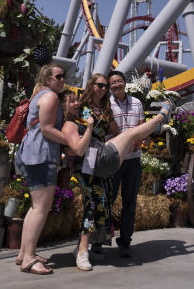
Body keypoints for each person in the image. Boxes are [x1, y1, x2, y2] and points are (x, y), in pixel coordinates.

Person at [59, 83, 172, 264]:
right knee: (91, 208)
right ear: (62, 106)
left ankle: (83, 246)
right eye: (71, 101)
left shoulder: (80, 118)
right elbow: (78, 150)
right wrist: (89, 128)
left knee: (100, 208)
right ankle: (82, 251)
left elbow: (101, 133)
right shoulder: (69, 126)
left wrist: (90, 125)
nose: (75, 103)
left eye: (76, 100)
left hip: (98, 165)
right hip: (96, 164)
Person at [12, 64, 71, 275]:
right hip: (42, 155)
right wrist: (72, 141)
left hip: (31, 153)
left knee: (34, 207)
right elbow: (47, 129)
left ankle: (23, 253)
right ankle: (29, 258)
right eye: (59, 76)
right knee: (40, 208)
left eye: (64, 76)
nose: (63, 80)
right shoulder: (51, 97)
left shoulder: (38, 95)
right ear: (48, 80)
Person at [70, 74, 120, 270]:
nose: (104, 89)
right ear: (92, 86)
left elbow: (115, 130)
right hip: (88, 157)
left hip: (102, 158)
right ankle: (83, 250)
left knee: (103, 202)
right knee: (93, 202)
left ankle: (83, 247)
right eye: (100, 85)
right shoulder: (83, 108)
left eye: (106, 86)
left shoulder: (106, 109)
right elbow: (76, 130)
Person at [108, 69, 145, 258]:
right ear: (109, 86)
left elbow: (141, 129)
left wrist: (133, 146)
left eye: (119, 81)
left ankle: (125, 242)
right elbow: (109, 130)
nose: (117, 85)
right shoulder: (107, 104)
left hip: (133, 160)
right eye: (113, 82)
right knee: (109, 199)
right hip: (114, 161)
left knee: (130, 202)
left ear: (125, 82)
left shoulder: (137, 103)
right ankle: (101, 239)